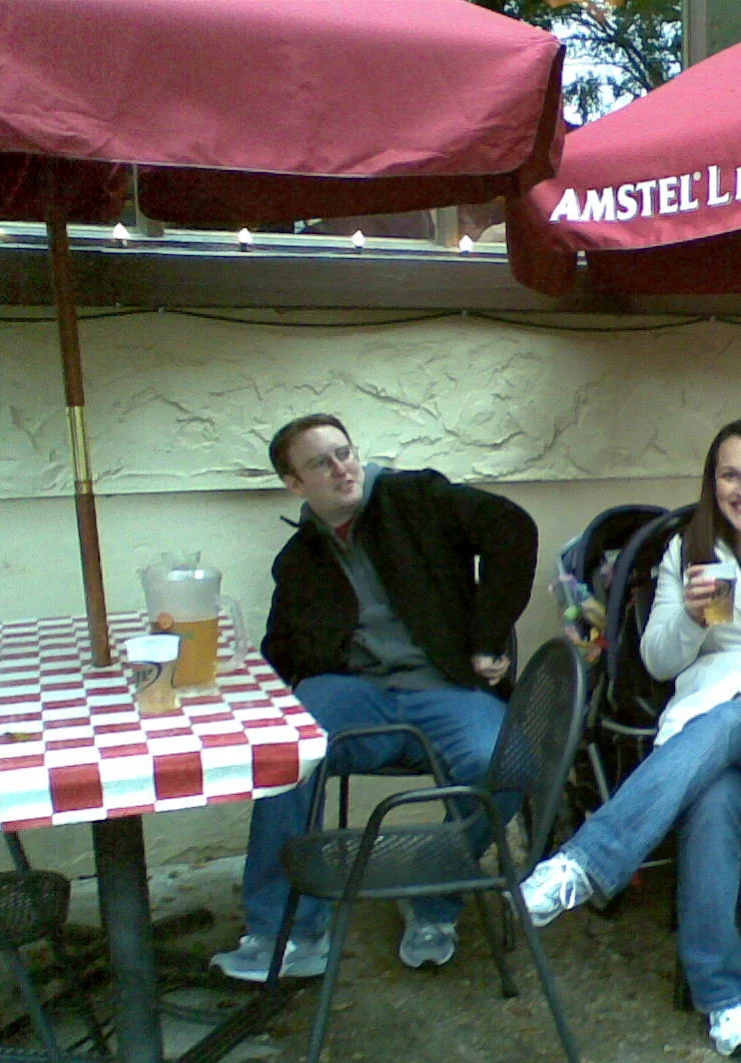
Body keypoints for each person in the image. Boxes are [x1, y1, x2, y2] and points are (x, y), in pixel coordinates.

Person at [519, 418, 741, 1059]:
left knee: (733, 722)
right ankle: (724, 999)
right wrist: (686, 615)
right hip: (709, 731)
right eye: (729, 475)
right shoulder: (691, 551)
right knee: (712, 797)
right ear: (713, 483)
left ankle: (583, 863)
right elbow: (658, 661)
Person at [210, 414, 537, 981]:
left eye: (345, 452)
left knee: (506, 764)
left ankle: (432, 893)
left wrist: (487, 635)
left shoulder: (416, 498)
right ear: (295, 484)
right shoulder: (299, 559)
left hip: (444, 687)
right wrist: (236, 688)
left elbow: (513, 529)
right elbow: (282, 648)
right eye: (321, 463)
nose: (342, 469)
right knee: (281, 752)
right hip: (355, 694)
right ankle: (286, 933)